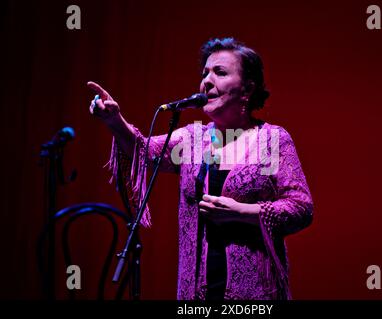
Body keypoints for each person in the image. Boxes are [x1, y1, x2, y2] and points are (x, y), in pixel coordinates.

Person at [87, 37, 313, 300]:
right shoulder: (192, 140)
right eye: (204, 73)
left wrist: (244, 212)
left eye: (219, 72)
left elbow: (301, 207)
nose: (206, 80)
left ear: (247, 89)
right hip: (195, 294)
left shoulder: (271, 140)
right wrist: (114, 120)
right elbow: (142, 151)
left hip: (256, 294)